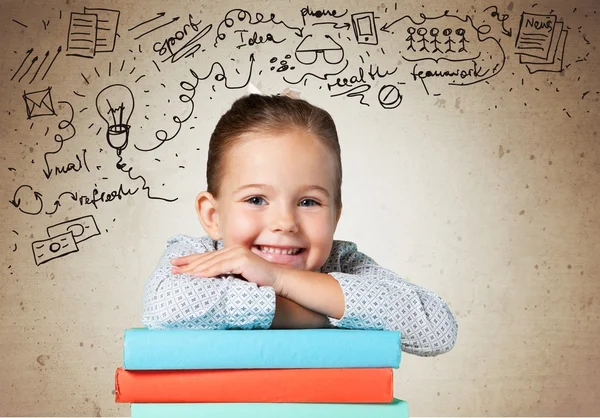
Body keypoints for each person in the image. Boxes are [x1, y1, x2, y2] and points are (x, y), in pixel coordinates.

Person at [142, 93, 458, 357]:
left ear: (335, 215)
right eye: (256, 200)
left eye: (308, 202)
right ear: (212, 216)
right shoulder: (199, 255)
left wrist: (280, 279)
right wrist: (315, 315)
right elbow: (165, 307)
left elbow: (437, 328)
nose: (285, 223)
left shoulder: (342, 263)